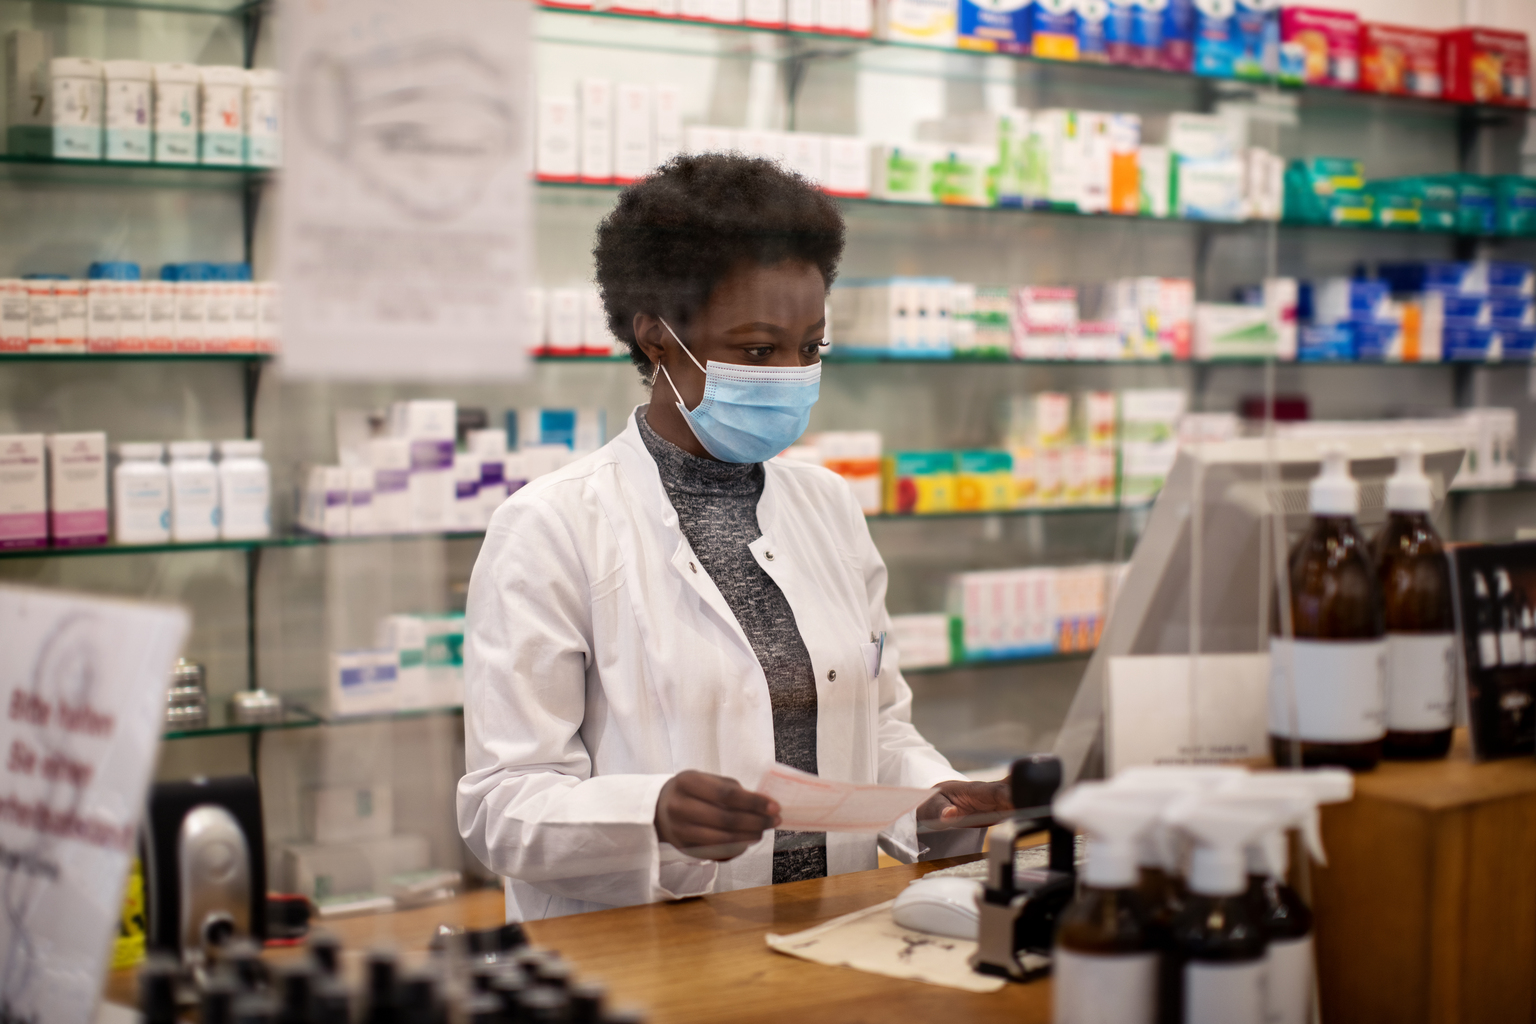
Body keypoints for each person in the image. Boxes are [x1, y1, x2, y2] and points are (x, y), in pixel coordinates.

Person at [457, 153, 1012, 922]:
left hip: (831, 929)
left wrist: (933, 801)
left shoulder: (827, 506)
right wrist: (650, 814)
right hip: (647, 952)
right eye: (758, 350)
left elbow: (875, 723)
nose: (789, 374)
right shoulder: (553, 526)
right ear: (656, 336)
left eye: (809, 349)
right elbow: (502, 804)